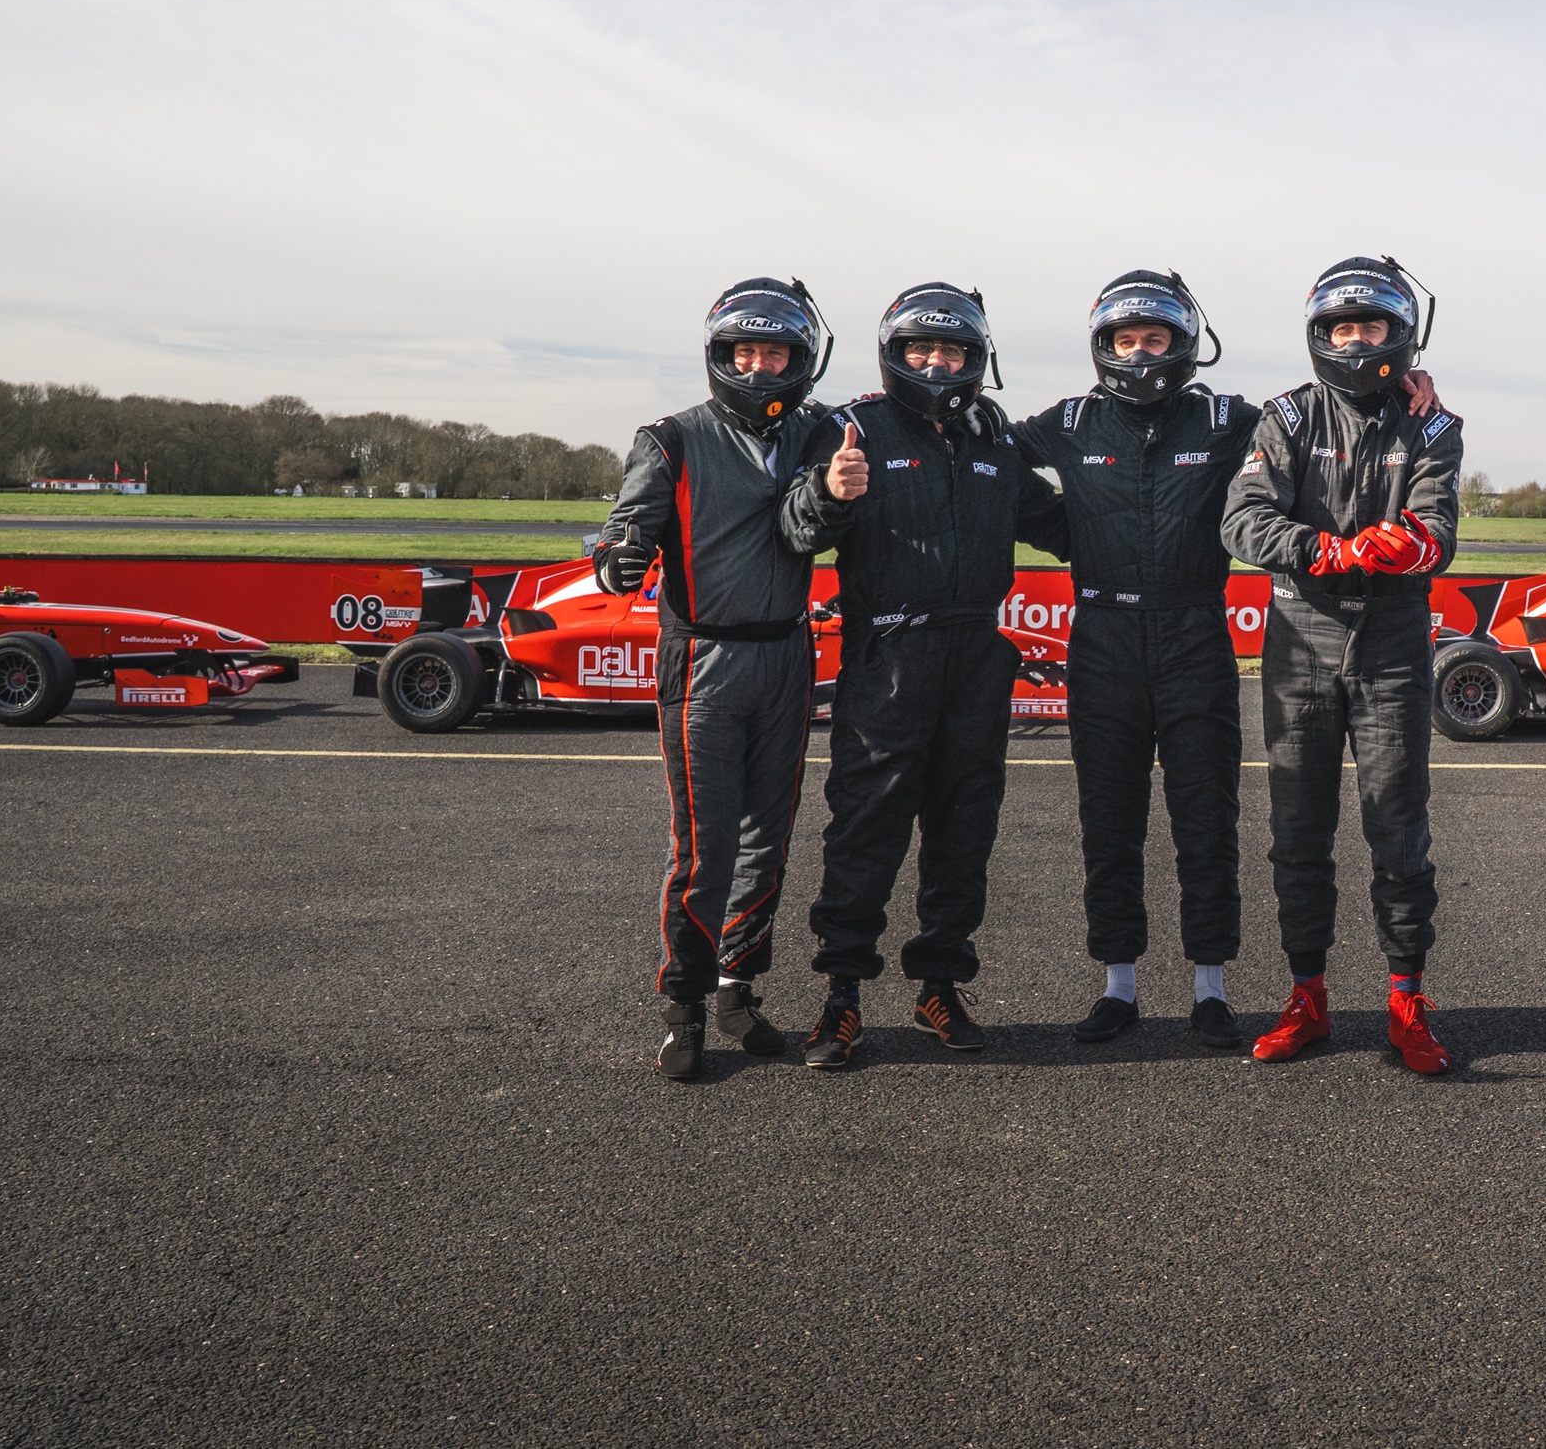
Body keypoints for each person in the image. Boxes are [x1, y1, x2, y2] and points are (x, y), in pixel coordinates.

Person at [1023, 271, 1449, 1049]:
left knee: (1215, 819)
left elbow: (1376, 458)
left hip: (1200, 634)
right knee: (1111, 822)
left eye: (1155, 338)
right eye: (1127, 339)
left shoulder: (1233, 418)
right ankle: (1121, 983)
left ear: (1184, 343)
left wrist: (1409, 388)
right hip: (1107, 637)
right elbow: (982, 456)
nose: (1140, 353)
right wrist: (1070, 529)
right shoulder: (1072, 419)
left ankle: (1214, 986)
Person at [780, 283, 1070, 1072]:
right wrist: (827, 494)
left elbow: (1062, 524)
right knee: (864, 826)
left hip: (975, 653)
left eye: (951, 350)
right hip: (888, 655)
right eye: (921, 348)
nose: (937, 362)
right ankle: (840, 994)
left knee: (963, 828)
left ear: (976, 358)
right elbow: (797, 529)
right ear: (894, 353)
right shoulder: (854, 428)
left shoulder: (992, 438)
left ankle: (939, 982)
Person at [1219, 256, 1465, 1074]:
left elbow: (1437, 528)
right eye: (1342, 327)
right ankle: (1307, 996)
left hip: (1392, 638)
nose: (1356, 340)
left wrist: (1409, 545)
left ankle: (1406, 999)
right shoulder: (1285, 416)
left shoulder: (1432, 423)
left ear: (1402, 334)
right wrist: (1325, 549)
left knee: (1397, 823)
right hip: (1300, 634)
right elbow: (1242, 522)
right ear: (1319, 333)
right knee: (1297, 830)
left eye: (1371, 325)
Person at [594, 277, 839, 1081]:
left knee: (769, 838)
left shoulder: (819, 432)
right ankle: (684, 1005)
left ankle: (737, 988)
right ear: (720, 355)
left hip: (788, 654)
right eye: (746, 351)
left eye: (776, 353)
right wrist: (620, 556)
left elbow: (827, 514)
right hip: (701, 658)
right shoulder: (670, 437)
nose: (760, 366)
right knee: (705, 846)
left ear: (801, 360)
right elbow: (622, 532)